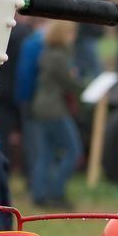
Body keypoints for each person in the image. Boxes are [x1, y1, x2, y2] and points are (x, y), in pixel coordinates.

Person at [31, 20, 83, 208]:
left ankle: (40, 193)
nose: (74, 37)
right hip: (55, 109)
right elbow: (71, 83)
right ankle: (56, 192)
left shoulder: (46, 53)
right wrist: (80, 80)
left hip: (41, 107)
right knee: (73, 150)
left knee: (45, 153)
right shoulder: (60, 56)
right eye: (71, 33)